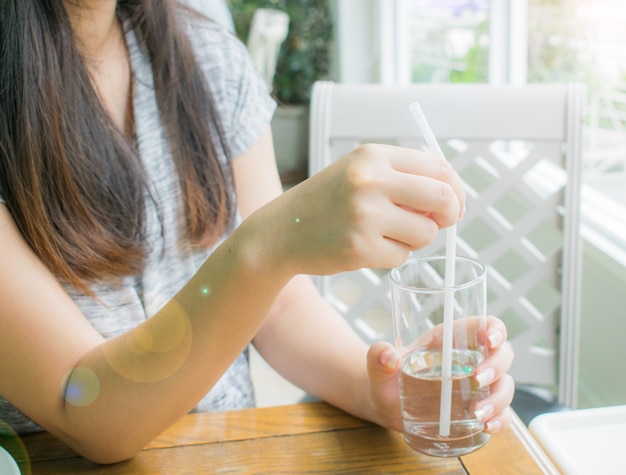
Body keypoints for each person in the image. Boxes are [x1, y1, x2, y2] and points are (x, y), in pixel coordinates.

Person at [0, 0, 515, 465]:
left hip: (233, 454)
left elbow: (280, 307)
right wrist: (272, 242)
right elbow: (86, 410)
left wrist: (373, 389)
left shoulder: (210, 60)